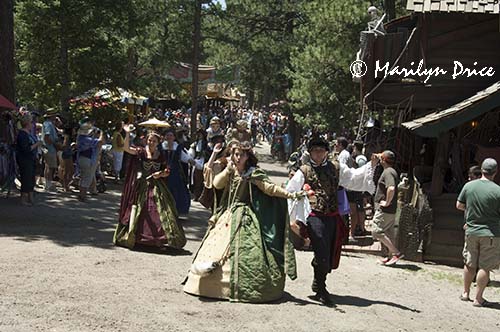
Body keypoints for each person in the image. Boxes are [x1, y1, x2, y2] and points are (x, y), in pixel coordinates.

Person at [183, 141, 301, 303]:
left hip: (245, 217)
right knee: (215, 248)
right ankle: (207, 285)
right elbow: (217, 184)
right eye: (235, 154)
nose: (238, 158)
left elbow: (269, 188)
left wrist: (291, 195)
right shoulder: (230, 171)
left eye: (242, 155)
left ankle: (241, 286)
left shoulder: (253, 173)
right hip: (227, 214)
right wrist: (228, 170)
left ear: (248, 157)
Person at [286, 137, 376, 306]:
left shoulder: (336, 168)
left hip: (333, 216)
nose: (318, 154)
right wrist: (301, 197)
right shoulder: (303, 171)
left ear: (326, 152)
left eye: (321, 151)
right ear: (310, 152)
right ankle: (321, 289)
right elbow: (290, 190)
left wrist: (370, 165)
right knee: (322, 251)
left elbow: (354, 177)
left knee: (329, 254)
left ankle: (318, 277)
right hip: (314, 217)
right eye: (314, 151)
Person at [113, 124, 186, 250]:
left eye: (154, 141)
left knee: (159, 210)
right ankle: (138, 237)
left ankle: (158, 239)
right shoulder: (141, 152)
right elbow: (126, 148)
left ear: (158, 142)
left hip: (158, 186)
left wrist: (161, 174)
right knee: (141, 209)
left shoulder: (161, 154)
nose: (151, 142)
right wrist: (128, 134)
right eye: (149, 140)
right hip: (143, 185)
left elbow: (167, 170)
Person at [456, 158, 500, 307]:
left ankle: (465, 293)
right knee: (485, 267)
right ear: (495, 172)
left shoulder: (469, 186)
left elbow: (459, 205)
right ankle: (478, 298)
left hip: (471, 230)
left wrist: (472, 212)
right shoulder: (498, 191)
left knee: (469, 263)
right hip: (491, 233)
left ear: (481, 170)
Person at [372, 150, 403, 266]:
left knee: (376, 231)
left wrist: (387, 202)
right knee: (389, 233)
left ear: (383, 160)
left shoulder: (388, 172)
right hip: (390, 210)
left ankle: (395, 253)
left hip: (385, 209)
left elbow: (391, 188)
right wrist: (379, 156)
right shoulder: (391, 170)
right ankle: (390, 257)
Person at [161, 127, 194, 214]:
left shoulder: (177, 147)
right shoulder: (161, 146)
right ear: (164, 137)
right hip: (162, 171)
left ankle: (176, 210)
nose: (169, 137)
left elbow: (184, 157)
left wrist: (191, 161)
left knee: (177, 190)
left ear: (174, 137)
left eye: (171, 135)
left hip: (174, 172)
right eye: (167, 135)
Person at [16, 113, 42, 205]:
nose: (32, 124)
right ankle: (23, 199)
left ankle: (31, 197)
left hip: (31, 159)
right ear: (27, 123)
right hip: (25, 159)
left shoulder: (29, 133)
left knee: (31, 178)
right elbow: (26, 149)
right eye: (31, 122)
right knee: (26, 178)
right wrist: (37, 144)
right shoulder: (22, 134)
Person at [76, 123, 104, 202]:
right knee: (87, 178)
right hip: (87, 159)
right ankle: (83, 196)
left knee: (83, 177)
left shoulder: (80, 138)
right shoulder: (86, 139)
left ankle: (81, 194)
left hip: (81, 158)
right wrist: (102, 133)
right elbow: (99, 142)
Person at [41, 108, 60, 192]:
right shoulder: (48, 124)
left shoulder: (47, 123)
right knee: (51, 167)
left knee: (47, 166)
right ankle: (48, 185)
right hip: (50, 148)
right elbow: (47, 137)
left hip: (47, 148)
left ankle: (47, 184)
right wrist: (54, 144)